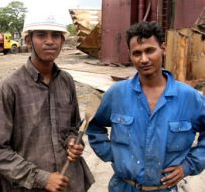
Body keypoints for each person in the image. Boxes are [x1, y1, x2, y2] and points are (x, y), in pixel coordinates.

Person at [87, 21, 205, 192]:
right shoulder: (117, 94)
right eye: (137, 53)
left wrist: (188, 166)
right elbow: (94, 126)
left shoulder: (189, 98)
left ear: (163, 48)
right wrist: (114, 155)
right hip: (123, 187)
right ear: (130, 55)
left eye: (150, 50)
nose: (143, 59)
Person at [0, 12, 94, 192]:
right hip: (29, 187)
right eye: (41, 35)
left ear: (63, 41)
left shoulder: (66, 81)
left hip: (69, 183)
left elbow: (73, 127)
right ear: (28, 41)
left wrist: (72, 142)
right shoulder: (9, 88)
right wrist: (42, 178)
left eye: (56, 35)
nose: (50, 41)